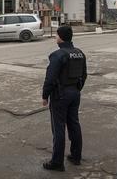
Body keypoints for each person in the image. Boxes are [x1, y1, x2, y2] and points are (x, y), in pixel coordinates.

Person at [41, 26, 87, 172]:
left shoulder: (58, 55)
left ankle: (57, 162)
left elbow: (50, 77)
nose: (55, 37)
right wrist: (77, 89)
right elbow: (84, 74)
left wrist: (45, 95)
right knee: (74, 124)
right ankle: (76, 156)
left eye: (56, 35)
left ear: (60, 37)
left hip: (60, 95)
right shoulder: (79, 53)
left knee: (58, 127)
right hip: (75, 92)